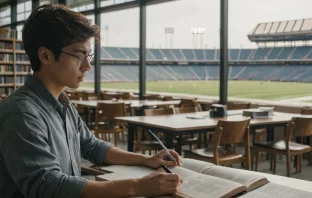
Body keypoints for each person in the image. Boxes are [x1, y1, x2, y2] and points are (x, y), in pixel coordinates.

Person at [0, 4, 182, 198]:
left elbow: (92, 147)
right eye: (79, 56)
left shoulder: (63, 103)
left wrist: (146, 160)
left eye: (89, 56)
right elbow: (48, 187)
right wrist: (137, 187)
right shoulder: (21, 113)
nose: (87, 66)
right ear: (46, 55)